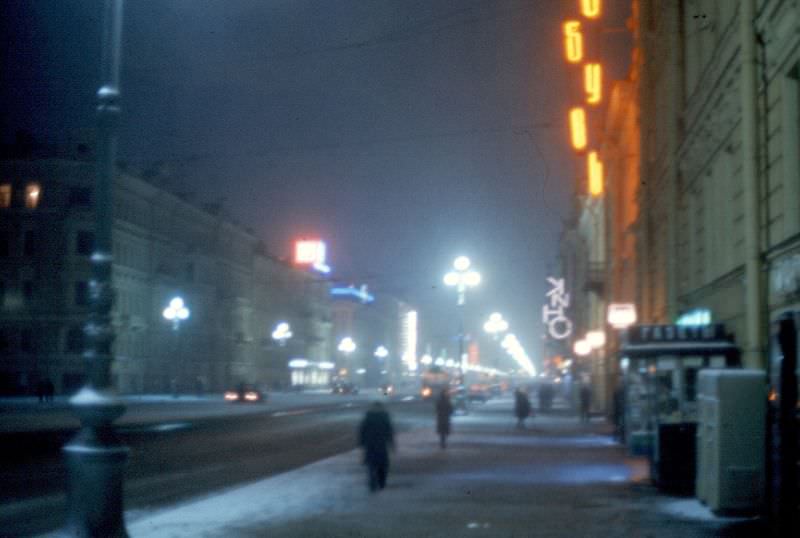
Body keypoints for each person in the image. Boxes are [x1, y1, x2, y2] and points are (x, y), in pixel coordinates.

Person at [358, 401, 395, 492]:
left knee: (371, 465)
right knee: (383, 465)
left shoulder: (367, 417)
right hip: (382, 445)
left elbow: (362, 431)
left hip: (370, 445)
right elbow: (389, 431)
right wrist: (392, 443)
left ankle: (372, 484)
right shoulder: (385, 417)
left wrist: (361, 443)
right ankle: (381, 483)